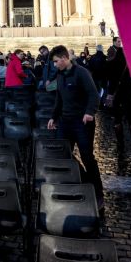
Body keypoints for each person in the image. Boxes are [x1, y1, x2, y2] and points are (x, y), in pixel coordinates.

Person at [47, 44, 104, 208]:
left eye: (57, 61)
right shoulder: (60, 75)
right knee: (63, 154)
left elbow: (93, 94)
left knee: (88, 157)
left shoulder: (82, 73)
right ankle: (82, 181)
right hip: (65, 121)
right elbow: (59, 98)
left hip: (82, 122)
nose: (55, 64)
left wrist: (90, 112)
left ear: (65, 58)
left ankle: (98, 193)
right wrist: (53, 117)